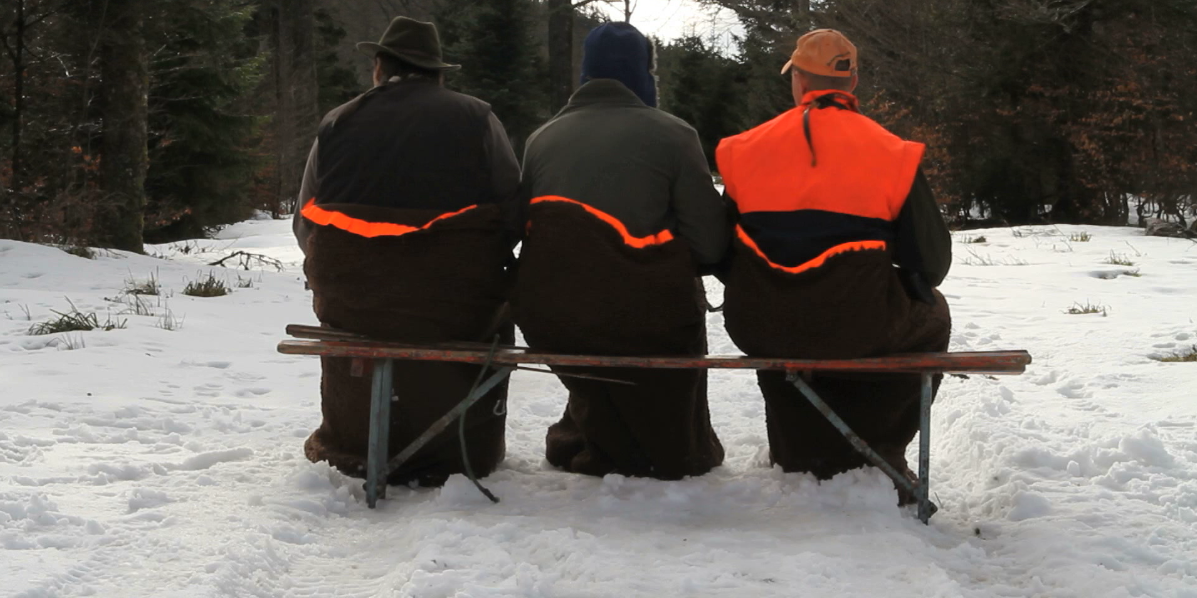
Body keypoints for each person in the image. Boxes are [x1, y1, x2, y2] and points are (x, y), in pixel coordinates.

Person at [714, 29, 952, 502]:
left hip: (760, 325)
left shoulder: (742, 150)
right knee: (931, 316)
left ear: (799, 81)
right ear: (853, 81)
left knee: (783, 316)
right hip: (860, 326)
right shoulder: (893, 154)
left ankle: (798, 449)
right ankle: (878, 451)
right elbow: (931, 261)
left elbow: (721, 253)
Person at [293, 17, 521, 487]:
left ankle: (356, 438)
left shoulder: (337, 122)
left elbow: (305, 222)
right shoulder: (477, 117)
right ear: (438, 72)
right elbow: (513, 213)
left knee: (359, 319)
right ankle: (460, 447)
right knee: (489, 314)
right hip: (454, 306)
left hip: (356, 305)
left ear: (379, 67)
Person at [512, 23, 728, 480]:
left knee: (593, 298)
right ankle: (677, 443)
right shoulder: (674, 135)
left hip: (553, 320)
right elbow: (710, 244)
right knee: (667, 288)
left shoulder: (540, 140)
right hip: (646, 318)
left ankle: (595, 429)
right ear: (643, 75)